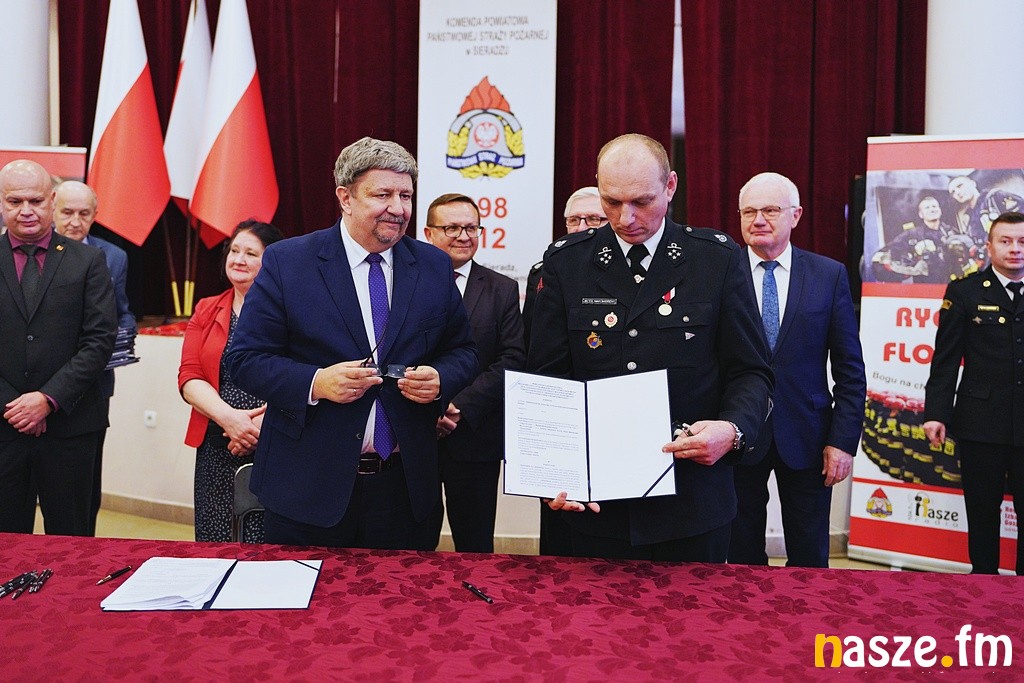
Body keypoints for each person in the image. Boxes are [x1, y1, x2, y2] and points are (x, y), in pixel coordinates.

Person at [527, 134, 772, 561]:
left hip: (692, 500)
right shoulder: (567, 262)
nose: (626, 218)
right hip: (595, 506)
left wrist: (732, 431)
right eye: (611, 201)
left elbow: (750, 371)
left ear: (670, 186)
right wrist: (551, 470)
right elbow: (547, 379)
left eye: (641, 201)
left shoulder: (715, 259)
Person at [225, 137, 478, 550]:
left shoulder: (432, 264)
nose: (398, 208)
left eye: (406, 195)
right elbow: (245, 359)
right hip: (308, 490)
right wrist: (316, 383)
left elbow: (464, 351)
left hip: (404, 492)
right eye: (382, 195)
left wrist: (440, 378)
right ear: (345, 198)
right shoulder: (289, 262)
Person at [727, 172, 866, 568]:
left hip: (809, 437)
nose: (758, 220)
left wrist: (843, 441)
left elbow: (850, 369)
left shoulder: (828, 275)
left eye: (770, 210)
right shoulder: (721, 272)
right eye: (749, 212)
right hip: (737, 435)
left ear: (796, 215)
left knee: (809, 559)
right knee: (739, 557)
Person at [0, 159, 116, 535]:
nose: (26, 211)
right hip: (3, 426)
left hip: (71, 426)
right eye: (15, 201)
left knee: (72, 542)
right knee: (6, 546)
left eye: (35, 201)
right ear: (1, 203)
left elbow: (99, 340)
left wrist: (47, 399)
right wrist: (15, 406)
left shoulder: (89, 260)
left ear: (51, 201)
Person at [423, 193, 525, 552]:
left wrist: (458, 406)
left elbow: (512, 358)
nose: (463, 236)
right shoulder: (404, 284)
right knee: (412, 546)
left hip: (475, 436)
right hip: (415, 436)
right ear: (429, 233)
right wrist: (431, 407)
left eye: (471, 228)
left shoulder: (502, 289)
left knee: (476, 546)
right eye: (451, 227)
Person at [923, 211, 1024, 574]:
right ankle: (984, 585)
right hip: (981, 425)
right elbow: (946, 359)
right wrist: (936, 413)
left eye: (1022, 241)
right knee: (982, 511)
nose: (1015, 249)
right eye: (1005, 241)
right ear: (989, 246)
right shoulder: (965, 292)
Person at [177, 220, 284, 543]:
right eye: (234, 250)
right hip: (216, 445)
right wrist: (231, 420)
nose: (238, 259)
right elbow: (189, 376)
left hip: (274, 440)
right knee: (215, 541)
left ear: (271, 261)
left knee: (267, 545)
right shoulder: (206, 309)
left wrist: (257, 427)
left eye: (251, 253)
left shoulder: (290, 311)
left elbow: (298, 375)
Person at [53, 180, 135, 536]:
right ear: (52, 210)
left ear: (95, 215)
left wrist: (124, 331)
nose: (75, 221)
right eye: (67, 212)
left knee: (83, 487)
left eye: (84, 214)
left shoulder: (113, 257)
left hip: (93, 386)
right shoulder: (31, 254)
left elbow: (122, 311)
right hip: (34, 385)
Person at [522, 186, 607, 345]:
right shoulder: (541, 273)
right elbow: (532, 339)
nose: (581, 228)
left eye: (593, 219)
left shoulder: (623, 269)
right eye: (573, 220)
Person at [871, 196, 961, 283]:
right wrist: (910, 267)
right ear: (920, 214)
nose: (932, 209)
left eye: (934, 206)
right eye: (927, 208)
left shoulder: (952, 233)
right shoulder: (911, 235)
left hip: (951, 285)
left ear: (940, 211)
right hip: (925, 287)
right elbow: (880, 257)